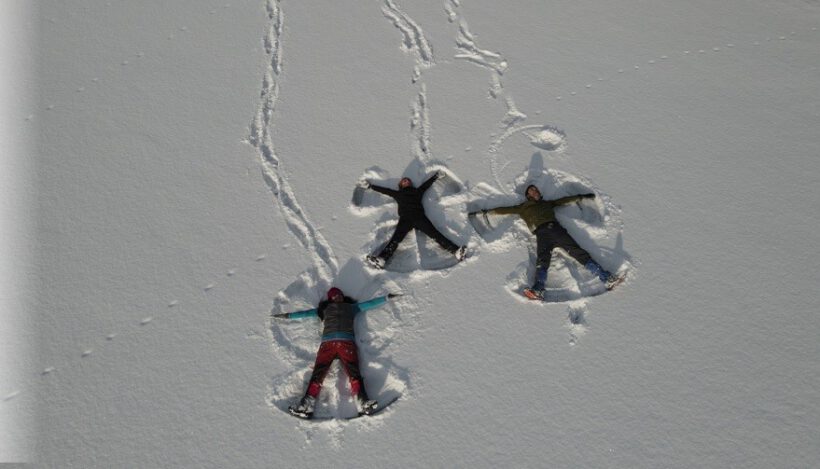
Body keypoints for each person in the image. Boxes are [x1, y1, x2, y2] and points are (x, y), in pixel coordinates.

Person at [483, 184, 622, 300]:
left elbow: (564, 200)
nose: (536, 191)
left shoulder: (547, 203)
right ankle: (538, 290)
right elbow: (504, 210)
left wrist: (580, 197)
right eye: (532, 191)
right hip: (542, 235)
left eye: (536, 190)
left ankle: (607, 278)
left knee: (578, 253)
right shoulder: (523, 207)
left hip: (555, 230)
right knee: (542, 261)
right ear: (528, 195)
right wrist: (487, 212)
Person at [287, 287, 393, 419]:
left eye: (340, 295)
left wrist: (386, 298)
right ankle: (306, 406)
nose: (338, 297)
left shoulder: (351, 308)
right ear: (331, 298)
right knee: (318, 374)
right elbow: (306, 313)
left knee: (354, 373)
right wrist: (288, 316)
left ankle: (363, 403)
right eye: (335, 296)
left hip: (346, 343)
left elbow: (369, 304)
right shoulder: (323, 310)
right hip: (327, 345)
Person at [362, 172, 466, 269]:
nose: (406, 181)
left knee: (435, 234)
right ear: (401, 185)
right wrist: (371, 186)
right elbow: (385, 190)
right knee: (395, 239)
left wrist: (436, 176)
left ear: (410, 184)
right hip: (405, 219)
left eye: (408, 180)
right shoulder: (398, 194)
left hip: (419, 217)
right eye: (404, 180)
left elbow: (425, 185)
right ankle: (382, 259)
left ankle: (456, 251)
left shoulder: (417, 192)